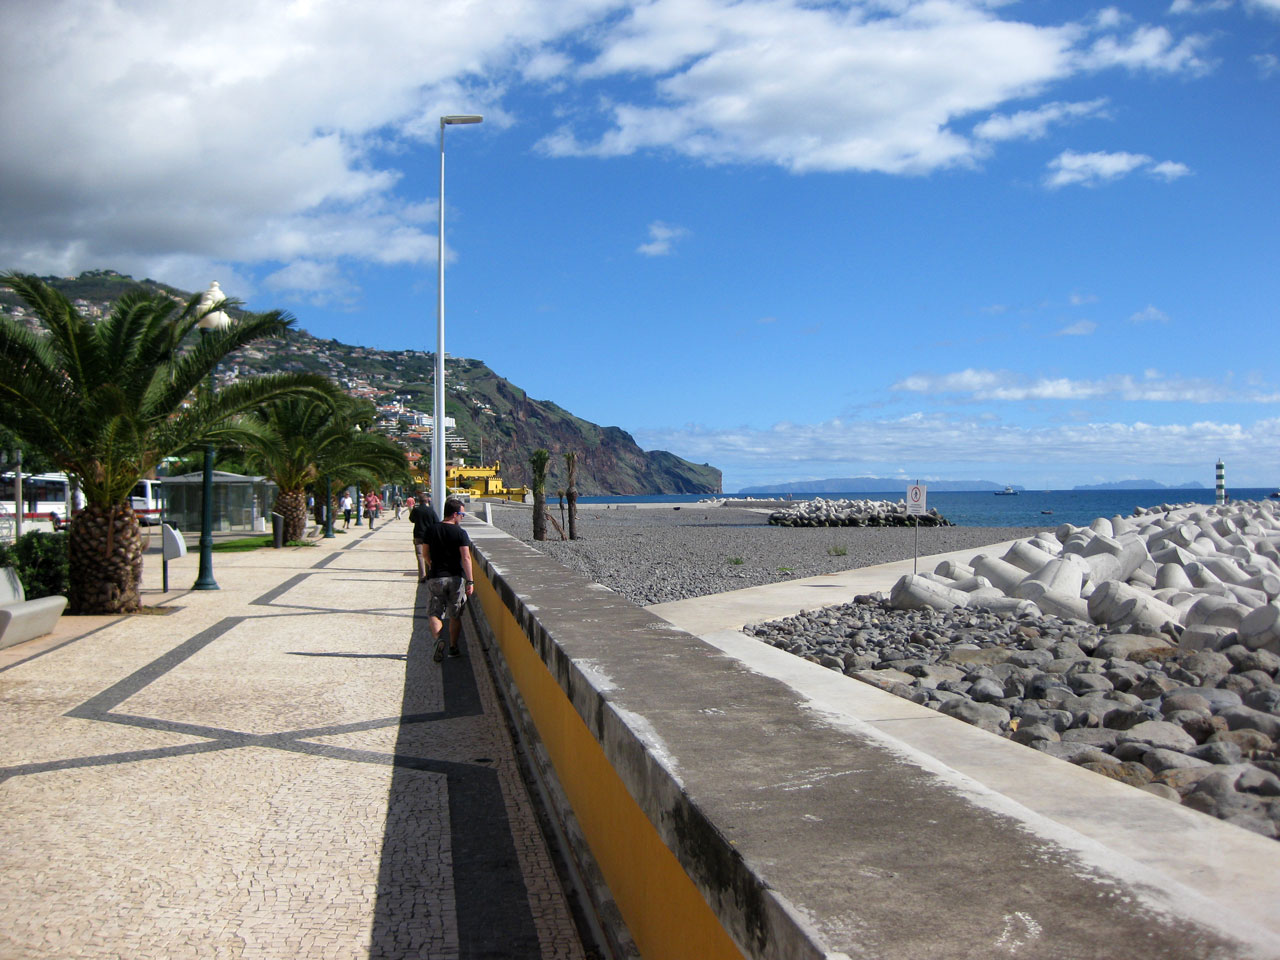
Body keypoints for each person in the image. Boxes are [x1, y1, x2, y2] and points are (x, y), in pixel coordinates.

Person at [424, 498, 473, 662]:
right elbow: (466, 558)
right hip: (455, 578)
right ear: (455, 514)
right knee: (455, 614)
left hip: (436, 577)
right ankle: (452, 647)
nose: (463, 517)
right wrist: (470, 581)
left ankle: (439, 640)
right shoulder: (460, 533)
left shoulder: (431, 530)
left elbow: (425, 554)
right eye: (462, 514)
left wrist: (432, 565)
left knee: (434, 613)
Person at [409, 491, 439, 582]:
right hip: (429, 536)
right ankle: (429, 574)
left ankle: (422, 576)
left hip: (418, 535)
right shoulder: (431, 510)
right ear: (427, 501)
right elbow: (436, 522)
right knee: (428, 555)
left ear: (419, 501)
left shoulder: (416, 510)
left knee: (420, 556)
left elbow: (411, 520)